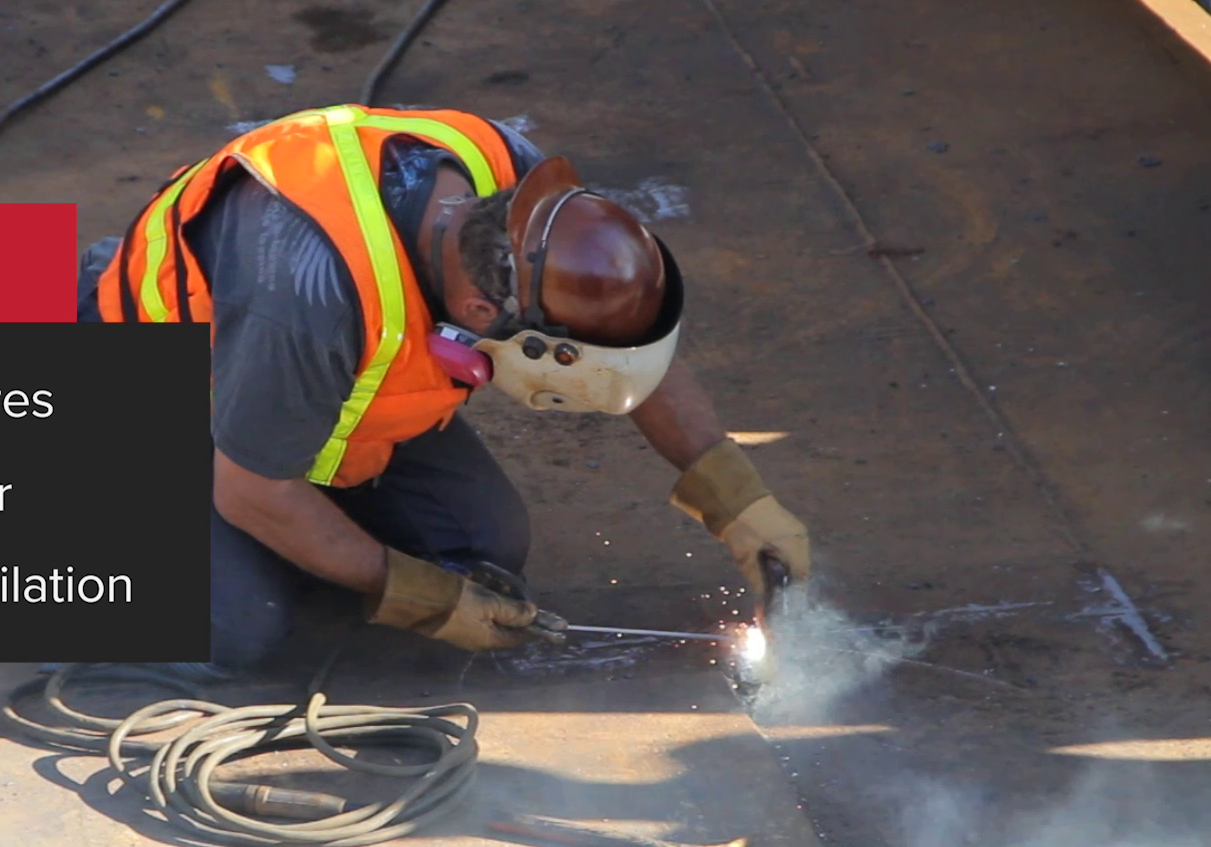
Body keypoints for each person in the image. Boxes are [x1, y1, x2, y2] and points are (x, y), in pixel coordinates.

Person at [76, 103, 810, 669]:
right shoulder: (311, 300)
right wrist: (414, 597)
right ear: (482, 316)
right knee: (234, 628)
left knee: (483, 547)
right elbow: (251, 492)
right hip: (161, 383)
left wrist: (735, 498)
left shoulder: (522, 191)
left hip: (301, 391)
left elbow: (621, 334)